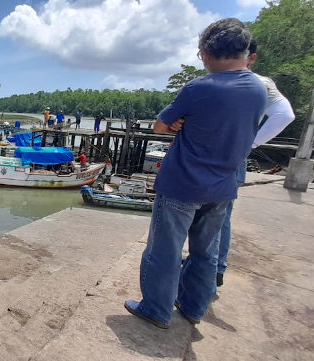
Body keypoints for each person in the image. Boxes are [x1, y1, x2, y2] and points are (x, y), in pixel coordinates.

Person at [123, 18, 267, 329]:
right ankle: (193, 308)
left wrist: (176, 123)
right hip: (223, 186)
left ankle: (156, 309)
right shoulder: (259, 88)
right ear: (245, 53)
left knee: (164, 250)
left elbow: (160, 126)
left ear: (207, 53)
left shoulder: (200, 88)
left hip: (182, 184)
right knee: (206, 253)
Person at [215, 38, 295, 288]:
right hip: (233, 158)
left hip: (212, 155)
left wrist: (251, 143)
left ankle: (211, 266)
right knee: (220, 215)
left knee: (204, 215)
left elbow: (286, 116)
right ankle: (214, 268)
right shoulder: (262, 85)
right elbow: (284, 114)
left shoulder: (251, 82)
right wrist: (250, 144)